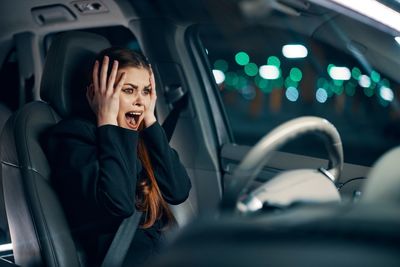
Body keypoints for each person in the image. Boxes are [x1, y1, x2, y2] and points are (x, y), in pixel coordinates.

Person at [44, 47, 192, 266]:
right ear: (97, 93)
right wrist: (107, 120)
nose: (140, 101)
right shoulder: (71, 136)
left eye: (146, 91)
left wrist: (150, 120)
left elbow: (178, 191)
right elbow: (119, 204)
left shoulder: (139, 136)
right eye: (129, 90)